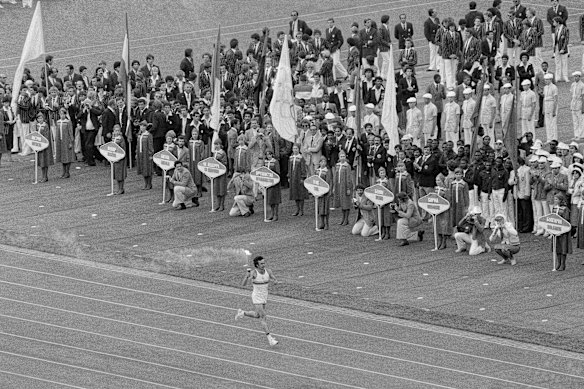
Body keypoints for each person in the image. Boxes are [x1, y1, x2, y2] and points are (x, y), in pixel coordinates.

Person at [235, 255, 280, 347]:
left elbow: (274, 279)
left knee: (257, 315)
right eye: (261, 264)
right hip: (257, 297)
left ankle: (242, 313)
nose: (264, 265)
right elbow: (243, 284)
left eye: (264, 263)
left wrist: (275, 281)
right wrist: (247, 277)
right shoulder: (254, 273)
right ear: (257, 265)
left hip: (264, 296)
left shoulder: (268, 271)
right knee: (263, 317)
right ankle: (270, 339)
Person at [551, 193, 571, 271]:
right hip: (555, 231)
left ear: (560, 200)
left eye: (556, 199)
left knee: (563, 247)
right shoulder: (554, 208)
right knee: (557, 247)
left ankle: (563, 264)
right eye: (554, 199)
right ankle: (558, 262)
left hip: (563, 231)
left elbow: (566, 219)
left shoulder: (565, 209)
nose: (554, 200)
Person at [31, 112, 53, 182]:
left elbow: (47, 136)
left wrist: (43, 142)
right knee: (41, 161)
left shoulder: (45, 126)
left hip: (44, 146)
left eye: (41, 118)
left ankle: (45, 176)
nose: (40, 120)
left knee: (45, 161)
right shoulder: (37, 126)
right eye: (38, 118)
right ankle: (42, 175)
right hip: (39, 146)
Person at [333, 150, 353, 226]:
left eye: (344, 156)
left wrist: (348, 188)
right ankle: (343, 218)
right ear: (339, 157)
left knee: (346, 202)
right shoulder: (337, 165)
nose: (342, 158)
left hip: (345, 185)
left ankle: (346, 219)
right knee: (341, 202)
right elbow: (335, 176)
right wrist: (334, 186)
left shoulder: (347, 166)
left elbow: (348, 177)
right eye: (341, 156)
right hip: (338, 185)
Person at [315, 156, 333, 230]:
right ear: (319, 163)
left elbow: (329, 181)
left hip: (325, 192)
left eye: (324, 162)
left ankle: (327, 223)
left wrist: (327, 190)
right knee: (320, 208)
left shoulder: (327, 171)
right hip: (319, 193)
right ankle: (321, 223)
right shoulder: (317, 171)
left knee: (325, 208)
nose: (323, 163)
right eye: (321, 162)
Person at [136, 120, 154, 190]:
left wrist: (150, 154)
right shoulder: (139, 135)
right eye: (141, 126)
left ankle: (149, 183)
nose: (142, 127)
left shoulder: (148, 135)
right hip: (140, 153)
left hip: (146, 153)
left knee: (148, 168)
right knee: (143, 168)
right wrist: (136, 153)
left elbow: (150, 145)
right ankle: (145, 183)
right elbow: (137, 145)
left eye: (143, 126)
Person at [264, 150, 281, 221]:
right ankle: (271, 213)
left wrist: (274, 178)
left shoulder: (275, 162)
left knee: (275, 199)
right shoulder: (265, 162)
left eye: (270, 154)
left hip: (274, 183)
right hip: (268, 183)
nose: (269, 156)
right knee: (269, 199)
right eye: (267, 155)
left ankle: (276, 214)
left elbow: (278, 172)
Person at [212, 139, 228, 211]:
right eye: (215, 144)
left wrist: (220, 161)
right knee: (216, 188)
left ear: (220, 145)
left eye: (217, 144)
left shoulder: (222, 153)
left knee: (222, 188)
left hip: (221, 173)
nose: (216, 146)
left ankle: (222, 204)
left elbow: (225, 163)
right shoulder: (214, 153)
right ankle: (218, 204)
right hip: (216, 173)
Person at [111, 125, 127, 195]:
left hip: (120, 158)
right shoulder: (113, 138)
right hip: (115, 158)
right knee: (116, 174)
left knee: (120, 174)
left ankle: (121, 188)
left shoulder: (121, 139)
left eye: (118, 130)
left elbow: (123, 148)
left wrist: (119, 155)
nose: (117, 132)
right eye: (115, 130)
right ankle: (118, 188)